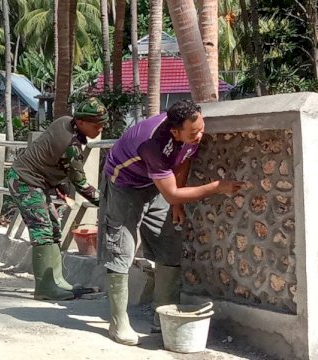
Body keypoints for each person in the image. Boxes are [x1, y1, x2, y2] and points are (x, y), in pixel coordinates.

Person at [99, 100, 244, 346]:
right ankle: (118, 321)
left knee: (169, 241)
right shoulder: (153, 144)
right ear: (175, 131)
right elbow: (171, 193)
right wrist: (218, 187)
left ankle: (163, 315)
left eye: (201, 127)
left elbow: (184, 160)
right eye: (193, 132)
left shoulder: (189, 135)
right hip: (125, 184)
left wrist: (177, 204)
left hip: (155, 184)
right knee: (122, 248)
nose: (200, 135)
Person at [7, 97, 105, 301]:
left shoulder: (64, 120)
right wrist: (106, 204)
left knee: (53, 227)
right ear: (81, 122)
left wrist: (58, 184)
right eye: (96, 125)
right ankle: (44, 287)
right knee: (42, 230)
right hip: (25, 181)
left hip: (38, 182)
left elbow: (49, 156)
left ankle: (57, 281)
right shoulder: (71, 145)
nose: (100, 129)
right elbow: (81, 184)